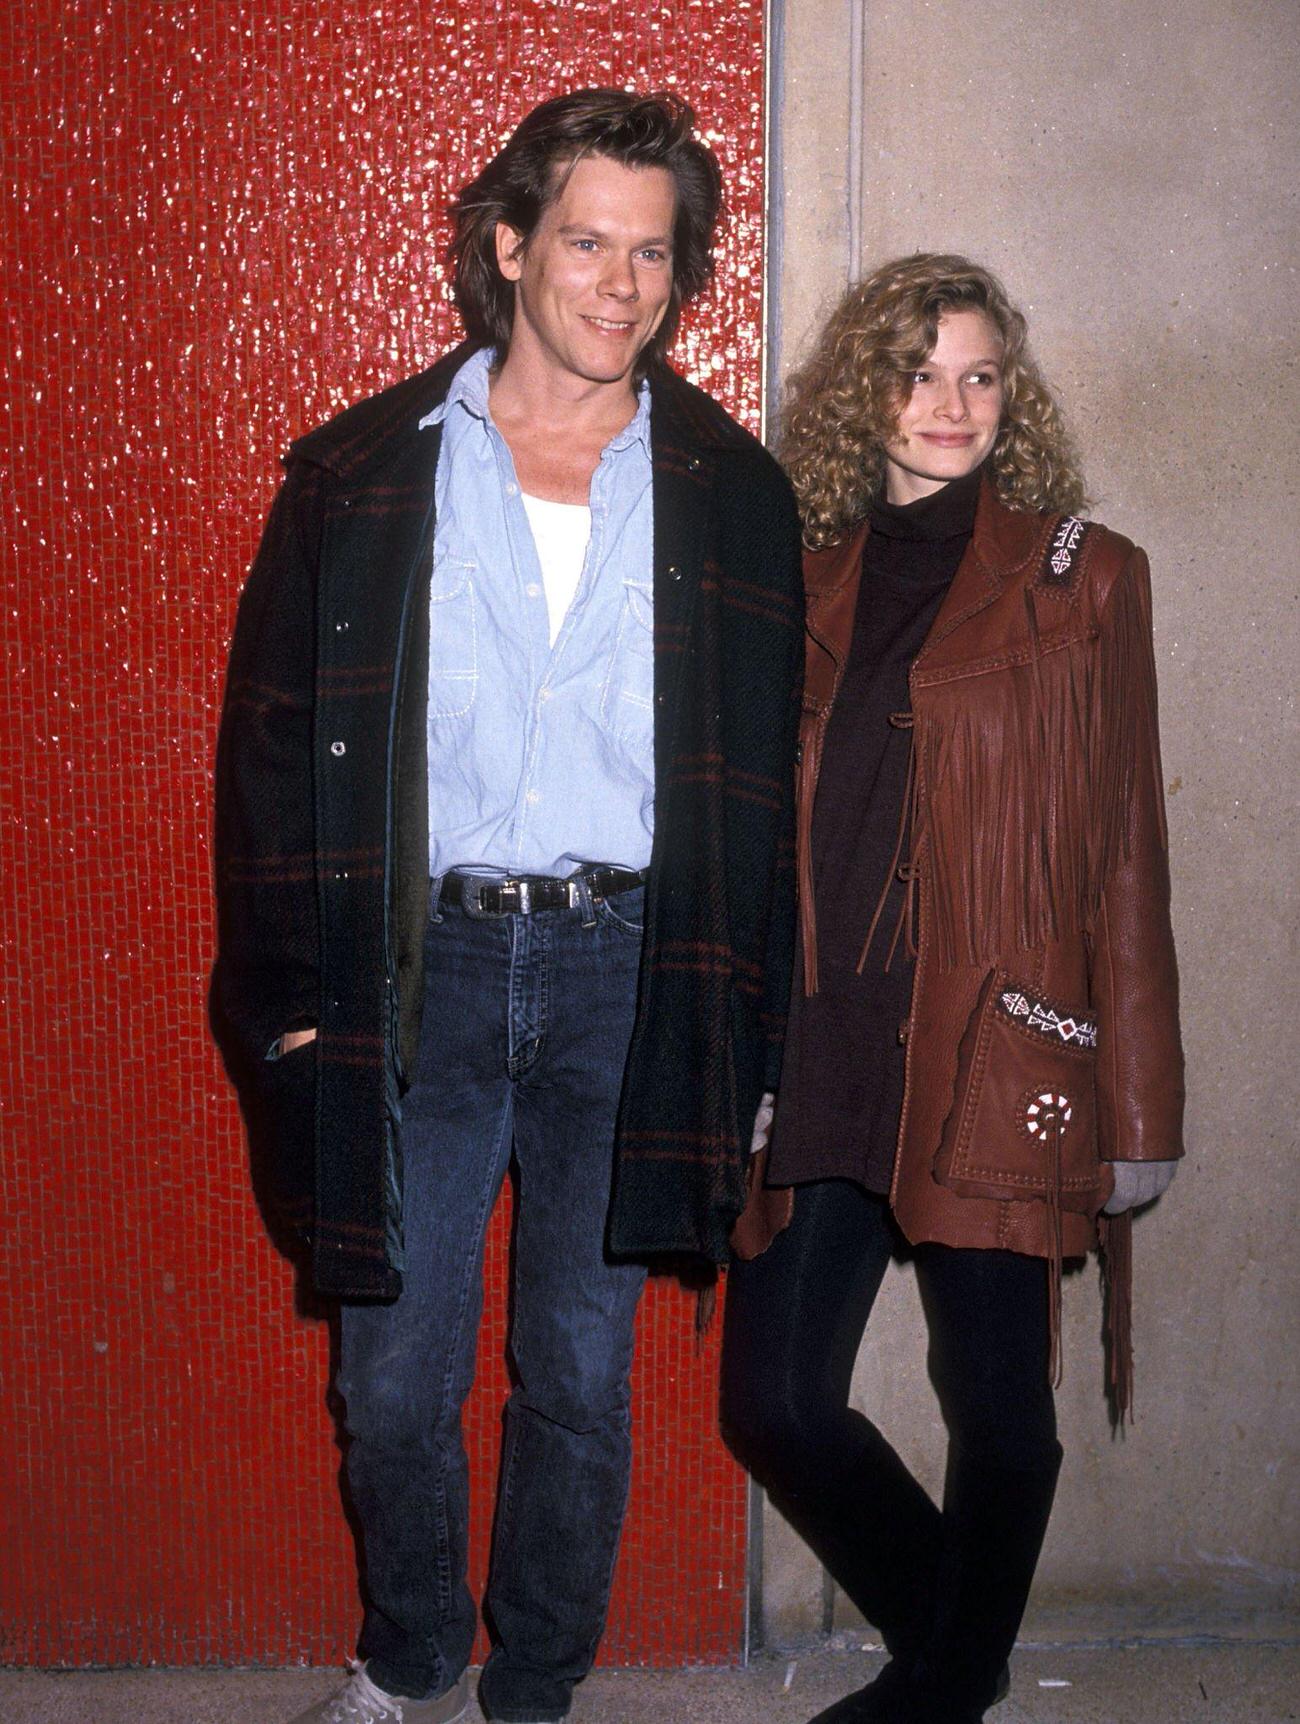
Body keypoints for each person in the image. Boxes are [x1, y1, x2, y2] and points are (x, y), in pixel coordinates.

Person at [211, 89, 803, 1724]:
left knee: (584, 1375)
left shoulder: (731, 501)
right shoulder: (359, 479)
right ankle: (407, 1661)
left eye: (654, 252)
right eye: (587, 241)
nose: (621, 284)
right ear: (509, 247)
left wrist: (744, 1033)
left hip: (631, 970)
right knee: (392, 1378)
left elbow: (765, 803)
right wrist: (290, 998)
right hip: (422, 967)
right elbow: (267, 754)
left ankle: (535, 1683)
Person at [720, 253, 1185, 1724]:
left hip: (995, 1045)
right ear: (867, 393)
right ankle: (959, 1654)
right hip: (832, 1039)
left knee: (1001, 1411)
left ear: (1014, 395)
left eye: (981, 375)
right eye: (919, 372)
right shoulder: (803, 579)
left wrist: (1143, 1103)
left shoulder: (1085, 578)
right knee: (777, 1401)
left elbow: (1125, 849)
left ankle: (933, 1689)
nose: (951, 404)